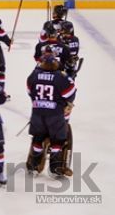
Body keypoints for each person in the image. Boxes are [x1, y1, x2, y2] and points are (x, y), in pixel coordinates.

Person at [26, 48, 76, 177]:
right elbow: (71, 92)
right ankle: (56, 166)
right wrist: (67, 104)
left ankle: (34, 163)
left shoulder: (34, 75)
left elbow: (29, 91)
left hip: (37, 113)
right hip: (55, 115)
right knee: (58, 140)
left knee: (38, 138)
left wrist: (38, 101)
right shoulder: (60, 77)